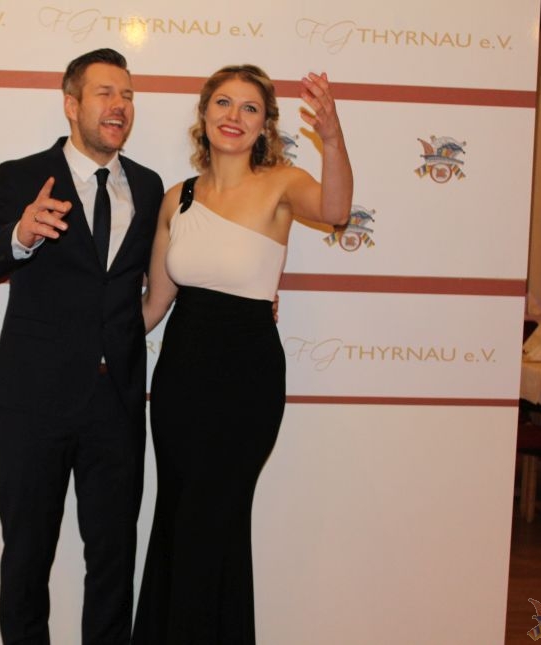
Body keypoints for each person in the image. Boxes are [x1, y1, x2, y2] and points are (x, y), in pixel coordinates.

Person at [132, 65, 353, 643]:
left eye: (249, 107)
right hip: (179, 379)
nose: (234, 116)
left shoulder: (282, 183)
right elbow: (154, 305)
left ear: (265, 124)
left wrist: (332, 135)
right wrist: (87, 343)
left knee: (214, 517)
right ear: (204, 115)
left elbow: (335, 210)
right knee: (178, 513)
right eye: (223, 103)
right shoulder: (178, 198)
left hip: (246, 381)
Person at [0, 48, 163, 645]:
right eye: (105, 93)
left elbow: (166, 274)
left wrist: (245, 303)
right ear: (72, 104)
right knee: (27, 557)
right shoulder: (22, 175)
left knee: (114, 561)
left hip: (116, 402)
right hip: (35, 400)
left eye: (127, 94)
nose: (119, 105)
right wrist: (19, 235)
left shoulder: (149, 187)